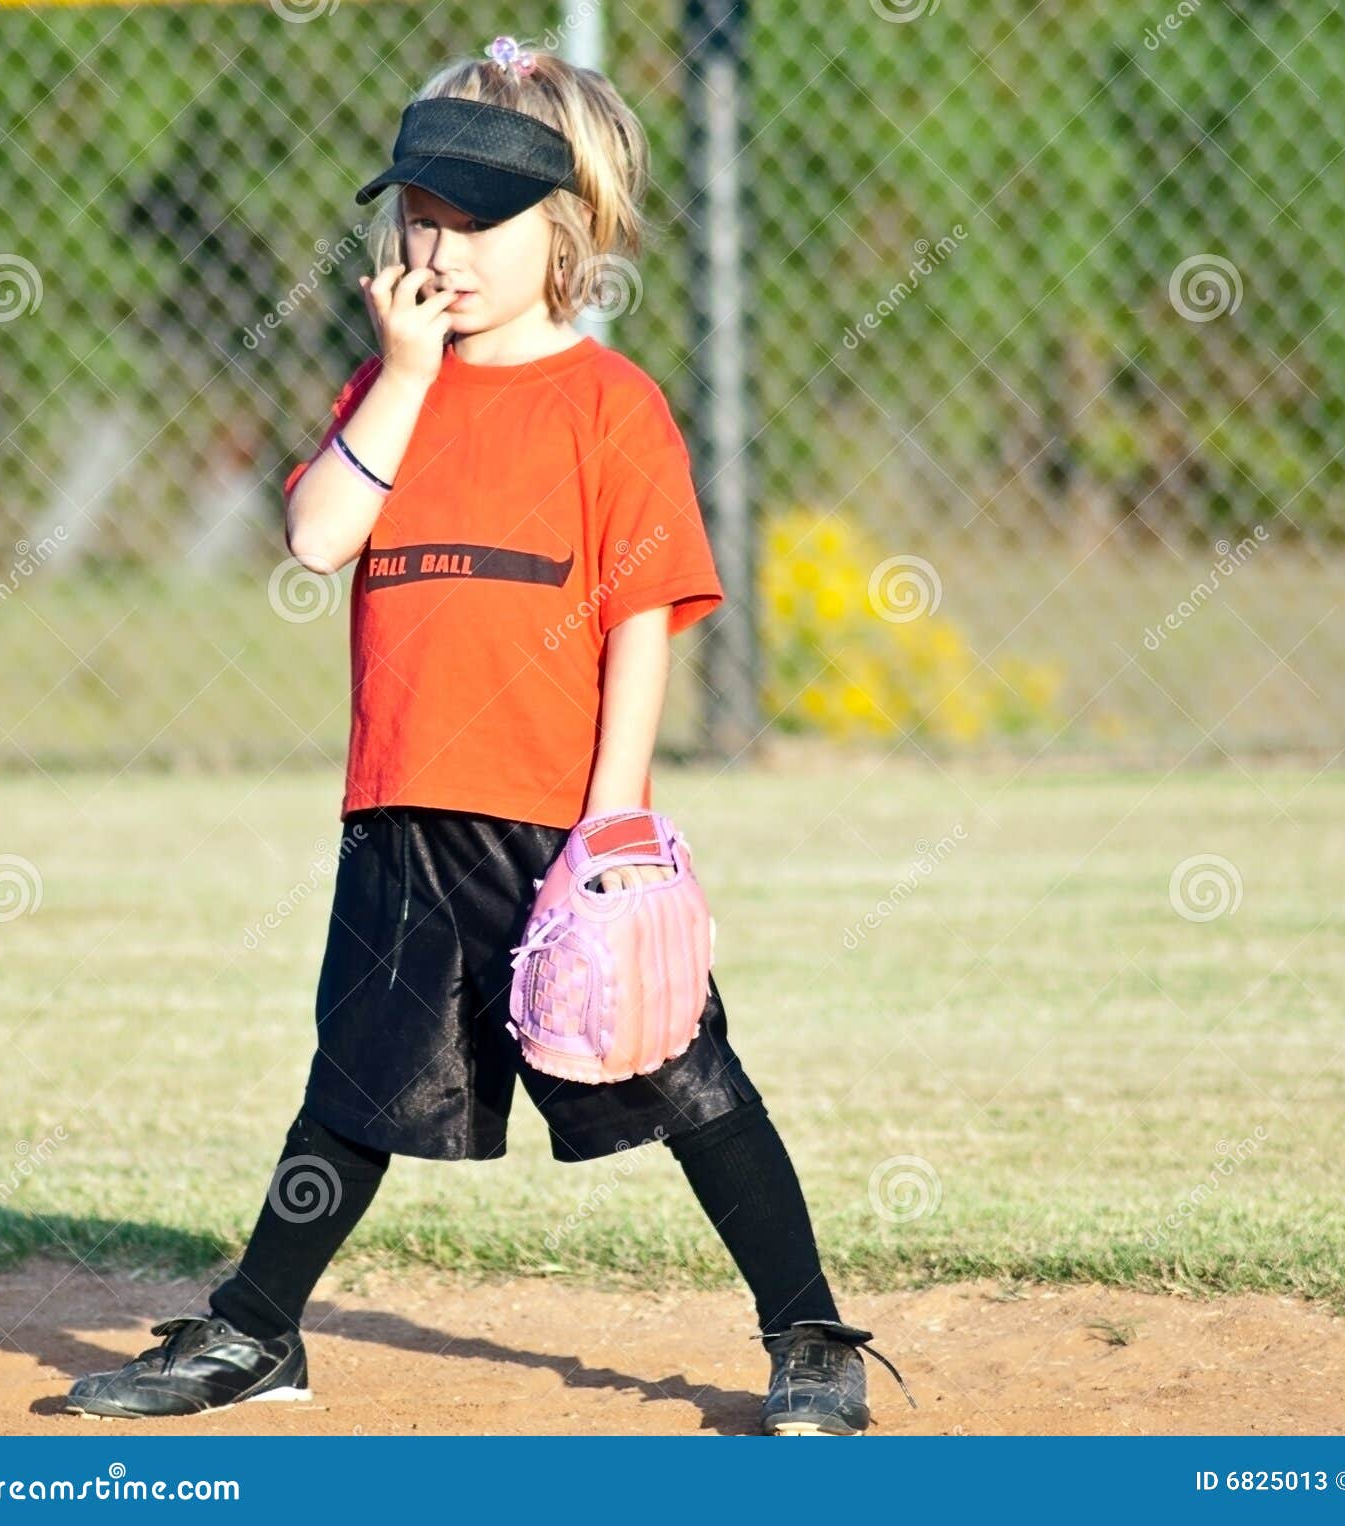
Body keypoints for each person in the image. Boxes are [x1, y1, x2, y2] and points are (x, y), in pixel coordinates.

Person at [64, 38, 908, 1437]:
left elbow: (642, 618)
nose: (441, 250)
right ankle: (258, 1331)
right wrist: (402, 376)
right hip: (404, 807)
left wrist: (615, 822)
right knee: (355, 1086)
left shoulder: (611, 406)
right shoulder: (384, 394)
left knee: (686, 1074)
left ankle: (810, 1332)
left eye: (479, 222)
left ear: (563, 231)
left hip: (560, 823)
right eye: (421, 217)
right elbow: (317, 537)